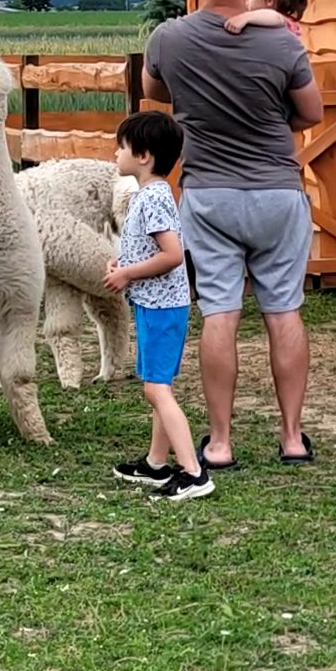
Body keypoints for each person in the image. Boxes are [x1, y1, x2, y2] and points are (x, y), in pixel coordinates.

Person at [141, 0, 324, 471]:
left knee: (220, 313)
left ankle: (219, 442)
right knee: (283, 310)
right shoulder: (282, 41)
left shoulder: (169, 38)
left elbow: (153, 93)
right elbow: (312, 113)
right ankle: (292, 437)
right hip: (276, 194)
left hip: (209, 195)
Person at [104, 112, 214, 502]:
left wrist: (128, 274)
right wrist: (124, 263)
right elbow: (153, 249)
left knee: (156, 391)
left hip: (162, 308)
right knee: (158, 385)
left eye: (122, 146)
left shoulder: (153, 199)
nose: (116, 152)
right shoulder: (152, 195)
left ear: (144, 155)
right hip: (155, 305)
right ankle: (155, 463)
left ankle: (193, 472)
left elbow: (171, 255)